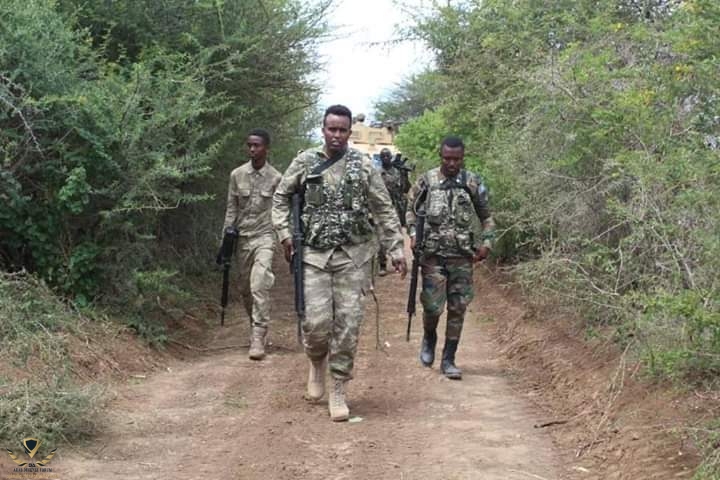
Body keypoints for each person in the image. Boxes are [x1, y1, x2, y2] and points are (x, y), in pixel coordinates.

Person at [272, 105, 407, 421]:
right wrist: (284, 234)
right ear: (323, 130)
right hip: (314, 257)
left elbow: (383, 208)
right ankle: (316, 361)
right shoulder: (305, 162)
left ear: (349, 132)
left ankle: (338, 388)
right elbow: (280, 198)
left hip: (353, 257)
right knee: (316, 325)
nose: (336, 135)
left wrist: (396, 249)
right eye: (331, 129)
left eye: (342, 130)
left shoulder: (362, 166)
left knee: (348, 325)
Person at [406, 136, 495, 380]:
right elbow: (410, 211)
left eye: (456, 159)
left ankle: (449, 359)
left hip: (462, 256)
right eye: (447, 158)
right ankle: (429, 337)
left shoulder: (472, 182)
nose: (452, 163)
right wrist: (413, 234)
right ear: (441, 156)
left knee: (458, 307)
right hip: (433, 256)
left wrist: (487, 242)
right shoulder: (427, 181)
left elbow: (487, 217)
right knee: (432, 307)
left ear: (462, 158)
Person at [221, 128, 282, 360]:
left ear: (267, 148)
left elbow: (280, 210)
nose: (252, 149)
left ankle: (258, 335)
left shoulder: (276, 178)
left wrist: (283, 237)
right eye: (249, 145)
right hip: (242, 238)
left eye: (257, 145)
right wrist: (225, 241)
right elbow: (231, 208)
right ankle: (254, 324)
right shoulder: (237, 175)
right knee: (246, 289)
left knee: (259, 284)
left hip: (265, 236)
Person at [376, 147, 410, 276]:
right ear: (380, 158)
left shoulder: (397, 171)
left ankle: (397, 261)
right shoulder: (377, 173)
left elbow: (405, 189)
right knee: (381, 237)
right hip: (382, 207)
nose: (385, 158)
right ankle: (382, 264)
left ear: (391, 157)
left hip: (397, 207)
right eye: (383, 156)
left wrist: (404, 174)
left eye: (387, 156)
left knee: (397, 235)